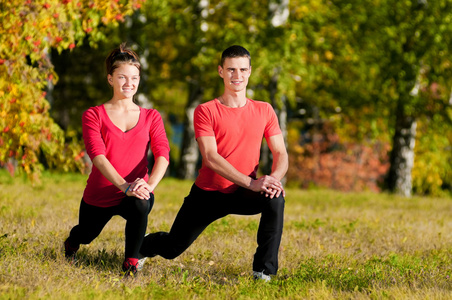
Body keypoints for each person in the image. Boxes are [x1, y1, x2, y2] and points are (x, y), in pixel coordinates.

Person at [140, 45, 288, 282]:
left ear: (250, 71)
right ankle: (143, 246)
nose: (236, 76)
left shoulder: (264, 110)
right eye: (231, 70)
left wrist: (273, 179)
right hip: (208, 194)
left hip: (243, 191)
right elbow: (210, 157)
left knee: (275, 197)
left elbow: (280, 152)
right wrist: (251, 183)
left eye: (242, 70)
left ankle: (264, 271)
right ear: (221, 71)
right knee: (172, 248)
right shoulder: (206, 110)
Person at [63, 43, 170, 277]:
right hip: (101, 193)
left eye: (134, 77)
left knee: (141, 202)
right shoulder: (94, 114)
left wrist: (148, 187)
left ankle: (130, 262)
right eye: (122, 77)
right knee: (87, 234)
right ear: (110, 79)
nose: (129, 83)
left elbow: (163, 155)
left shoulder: (151, 116)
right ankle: (72, 242)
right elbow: (97, 156)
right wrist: (124, 186)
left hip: (135, 190)